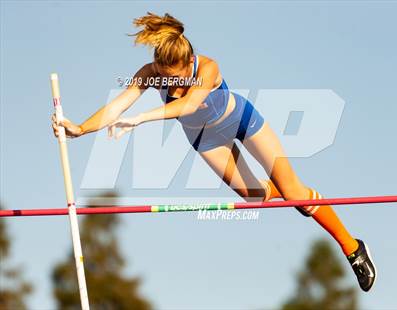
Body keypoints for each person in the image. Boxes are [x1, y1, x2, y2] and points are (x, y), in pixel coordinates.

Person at [52, 12, 376, 292]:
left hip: (242, 121)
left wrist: (140, 118)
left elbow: (189, 103)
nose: (171, 86)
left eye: (175, 79)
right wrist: (80, 129)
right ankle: (286, 192)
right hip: (207, 141)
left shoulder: (207, 67)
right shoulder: (151, 73)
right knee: (255, 197)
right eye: (164, 79)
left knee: (295, 192)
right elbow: (116, 106)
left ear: (188, 62)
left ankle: (352, 248)